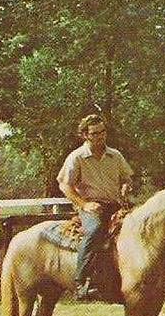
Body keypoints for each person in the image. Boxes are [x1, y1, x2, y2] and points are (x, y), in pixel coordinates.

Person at [57, 114, 133, 301]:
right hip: (91, 206)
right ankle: (81, 281)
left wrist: (125, 188)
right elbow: (64, 185)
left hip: (115, 205)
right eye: (95, 133)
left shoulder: (115, 155)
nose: (100, 136)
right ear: (85, 135)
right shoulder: (77, 157)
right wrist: (84, 204)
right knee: (95, 230)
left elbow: (127, 178)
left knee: (137, 228)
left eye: (103, 132)